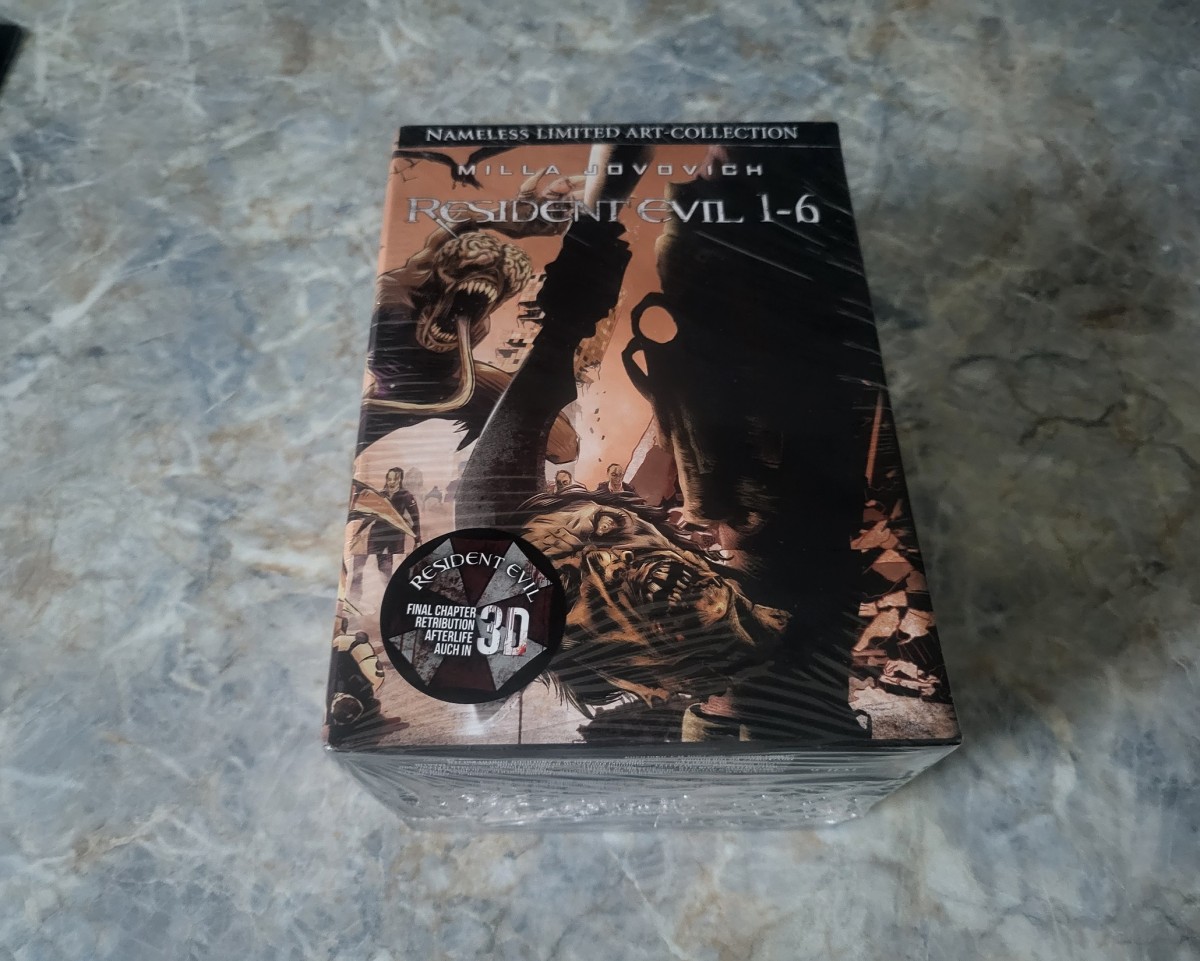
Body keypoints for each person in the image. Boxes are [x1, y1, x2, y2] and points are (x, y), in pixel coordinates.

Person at [350, 467, 421, 595]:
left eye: (395, 479)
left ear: (400, 479)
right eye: (389, 479)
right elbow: (371, 515)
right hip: (376, 535)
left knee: (392, 566)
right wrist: (358, 532)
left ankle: (394, 593)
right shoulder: (380, 495)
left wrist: (417, 539)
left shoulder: (406, 496)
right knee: (371, 563)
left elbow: (415, 518)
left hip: (396, 537)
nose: (391, 482)